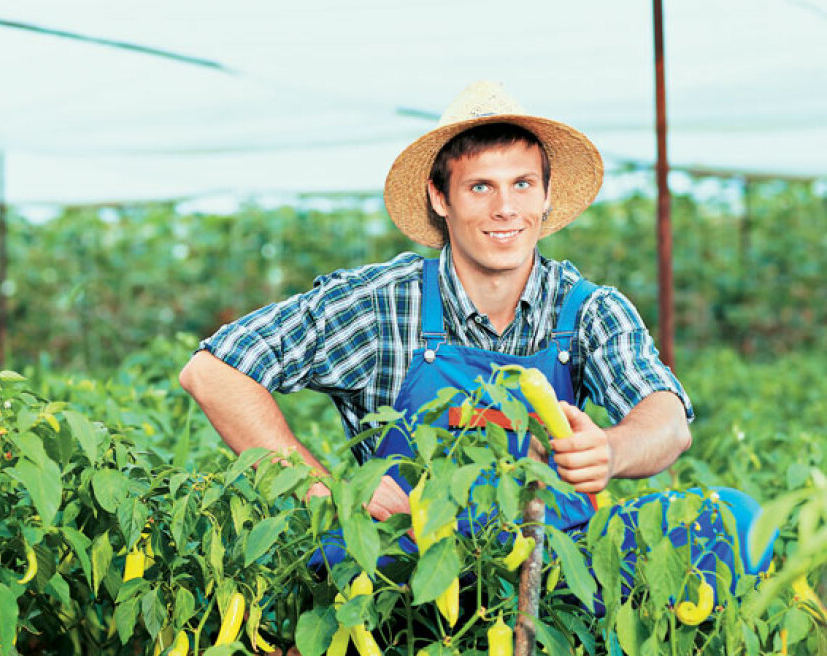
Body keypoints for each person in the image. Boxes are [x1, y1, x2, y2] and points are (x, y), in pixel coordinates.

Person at [179, 81, 771, 600]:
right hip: (409, 560)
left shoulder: (587, 308)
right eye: (481, 188)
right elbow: (213, 372)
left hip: (558, 555)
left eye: (521, 184)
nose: (505, 209)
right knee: (334, 561)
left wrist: (612, 450)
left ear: (545, 197)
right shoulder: (380, 303)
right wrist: (327, 489)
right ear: (442, 199)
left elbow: (667, 420)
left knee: (733, 519)